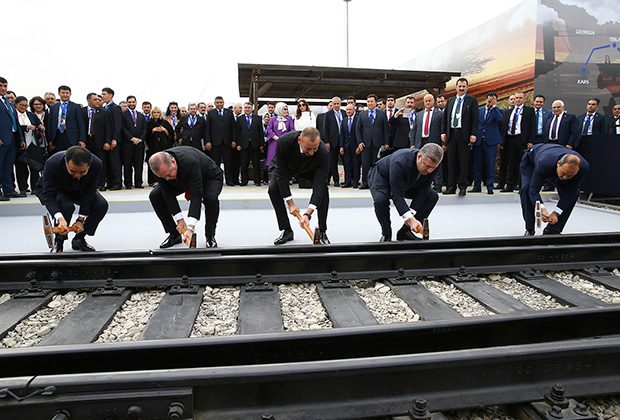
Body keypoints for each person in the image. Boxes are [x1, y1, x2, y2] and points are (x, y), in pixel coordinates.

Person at [34, 146, 108, 252]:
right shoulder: (53, 163)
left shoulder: (97, 164)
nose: (77, 175)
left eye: (82, 172)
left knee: (101, 205)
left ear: (89, 165)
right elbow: (49, 195)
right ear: (66, 162)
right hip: (58, 189)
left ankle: (79, 238)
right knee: (66, 206)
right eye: (73, 171)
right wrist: (60, 218)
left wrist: (80, 220)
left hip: (79, 189)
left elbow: (90, 192)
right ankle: (59, 242)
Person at [148, 147, 223, 248]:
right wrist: (180, 221)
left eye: (169, 173)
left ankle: (210, 235)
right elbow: (168, 193)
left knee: (210, 198)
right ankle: (174, 234)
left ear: (173, 161)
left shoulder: (189, 161)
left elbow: (196, 194)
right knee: (155, 195)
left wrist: (190, 227)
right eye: (163, 177)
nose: (166, 178)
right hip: (182, 178)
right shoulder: (160, 167)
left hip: (208, 177)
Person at [369, 143, 443, 242]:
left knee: (432, 196)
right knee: (381, 200)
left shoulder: (433, 164)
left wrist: (411, 215)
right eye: (427, 166)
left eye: (433, 168)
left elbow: (424, 189)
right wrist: (409, 218)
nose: (430, 171)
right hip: (382, 178)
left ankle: (405, 231)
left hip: (407, 181)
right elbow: (397, 194)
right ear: (419, 157)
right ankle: (386, 234)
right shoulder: (400, 161)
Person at [268, 127, 330, 245]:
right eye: (308, 148)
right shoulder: (284, 142)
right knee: (273, 189)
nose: (311, 152)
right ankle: (286, 230)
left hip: (309, 168)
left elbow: (319, 184)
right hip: (286, 166)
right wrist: (290, 203)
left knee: (323, 192)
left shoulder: (323, 153)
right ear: (299, 141)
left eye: (314, 148)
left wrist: (307, 214)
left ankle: (322, 231)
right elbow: (281, 175)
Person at [520, 143, 589, 235]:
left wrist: (556, 213)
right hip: (533, 160)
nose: (565, 177)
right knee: (526, 188)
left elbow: (570, 193)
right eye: (563, 173)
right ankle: (529, 229)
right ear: (559, 163)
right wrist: (541, 208)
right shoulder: (544, 163)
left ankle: (553, 229)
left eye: (570, 175)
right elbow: (533, 190)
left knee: (575, 194)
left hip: (553, 158)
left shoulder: (584, 167)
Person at [441, 77, 479, 196]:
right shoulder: (451, 101)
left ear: (467, 88)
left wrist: (473, 134)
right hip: (452, 134)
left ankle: (462, 186)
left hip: (464, 135)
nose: (461, 88)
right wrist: (444, 132)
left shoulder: (472, 100)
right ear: (456, 87)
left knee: (464, 162)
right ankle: (451, 186)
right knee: (451, 162)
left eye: (464, 86)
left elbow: (475, 119)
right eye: (460, 86)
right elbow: (445, 118)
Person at [500, 91, 536, 192]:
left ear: (524, 99)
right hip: (510, 139)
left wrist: (530, 141)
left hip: (522, 140)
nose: (518, 100)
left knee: (522, 163)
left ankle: (521, 186)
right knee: (511, 163)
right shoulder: (508, 112)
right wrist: (502, 141)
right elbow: (504, 127)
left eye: (520, 98)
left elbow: (533, 127)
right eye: (516, 98)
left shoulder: (529, 111)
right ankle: (510, 185)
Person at [472, 93, 503, 194]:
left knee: (490, 164)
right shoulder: (480, 110)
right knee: (477, 164)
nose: (490, 102)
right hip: (479, 140)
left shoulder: (497, 111)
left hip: (491, 142)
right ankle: (477, 185)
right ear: (485, 100)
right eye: (489, 100)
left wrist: (494, 106)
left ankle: (490, 186)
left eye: (492, 100)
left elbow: (499, 119)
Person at [0, 77, 26, 201]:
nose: (3, 88)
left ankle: (8, 189)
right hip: (1, 139)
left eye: (5, 85)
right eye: (0, 86)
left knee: (8, 166)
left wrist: (20, 138)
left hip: (11, 138)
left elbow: (15, 122)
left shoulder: (9, 103)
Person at [412, 94, 444, 192]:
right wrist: (413, 143)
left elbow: (442, 129)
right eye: (426, 101)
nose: (427, 103)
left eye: (429, 101)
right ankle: (422, 185)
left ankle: (438, 185)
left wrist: (443, 143)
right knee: (421, 163)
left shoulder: (439, 114)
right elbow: (414, 130)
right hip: (420, 141)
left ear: (433, 101)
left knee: (435, 163)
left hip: (434, 142)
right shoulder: (419, 115)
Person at [15, 96, 46, 195]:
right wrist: (26, 127)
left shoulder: (31, 115)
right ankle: (23, 188)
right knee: (21, 168)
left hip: (32, 144)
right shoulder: (14, 115)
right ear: (16, 104)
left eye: (25, 105)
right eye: (21, 105)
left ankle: (35, 188)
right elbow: (15, 127)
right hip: (19, 144)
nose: (23, 107)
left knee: (34, 167)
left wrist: (40, 126)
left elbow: (38, 124)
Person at [356, 94, 388, 189]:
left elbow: (385, 129)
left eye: (372, 101)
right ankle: (365, 182)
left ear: (376, 103)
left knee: (376, 164)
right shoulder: (362, 114)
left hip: (377, 143)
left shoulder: (382, 114)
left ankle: (376, 183)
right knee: (365, 164)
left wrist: (386, 142)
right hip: (365, 143)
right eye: (368, 101)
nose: (370, 103)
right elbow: (358, 129)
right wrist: (359, 142)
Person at [82, 92, 110, 191]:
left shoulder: (103, 112)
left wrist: (107, 141)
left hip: (99, 141)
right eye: (95, 100)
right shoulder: (82, 111)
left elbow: (107, 128)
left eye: (99, 100)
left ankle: (101, 183)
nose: (98, 101)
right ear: (88, 100)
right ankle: (87, 184)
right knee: (86, 162)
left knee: (100, 163)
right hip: (86, 141)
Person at [205, 96, 236, 185]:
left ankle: (229, 180)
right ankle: (217, 180)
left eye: (220, 102)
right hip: (215, 142)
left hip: (227, 142)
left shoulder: (229, 113)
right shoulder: (211, 113)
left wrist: (234, 140)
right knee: (215, 163)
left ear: (223, 103)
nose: (219, 104)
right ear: (215, 103)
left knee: (228, 162)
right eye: (217, 102)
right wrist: (208, 141)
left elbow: (233, 127)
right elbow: (207, 129)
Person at [46, 85, 86, 153]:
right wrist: (50, 140)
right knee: (59, 156)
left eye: (67, 93)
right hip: (58, 135)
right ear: (59, 93)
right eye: (63, 93)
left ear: (70, 94)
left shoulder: (76, 107)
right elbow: (50, 124)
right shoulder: (53, 107)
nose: (65, 95)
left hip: (72, 136)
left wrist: (82, 139)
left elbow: (81, 124)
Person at [235, 102, 264, 186]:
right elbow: (238, 133)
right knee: (244, 164)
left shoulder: (257, 118)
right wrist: (238, 144)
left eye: (249, 107)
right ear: (244, 109)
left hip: (255, 144)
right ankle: (244, 181)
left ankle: (257, 181)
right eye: (246, 107)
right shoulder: (240, 119)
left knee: (256, 164)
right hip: (244, 144)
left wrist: (261, 144)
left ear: (252, 109)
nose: (247, 109)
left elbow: (260, 132)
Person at [144, 107, 174, 186]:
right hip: (153, 147)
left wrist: (164, 130)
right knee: (153, 163)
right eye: (154, 113)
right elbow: (146, 135)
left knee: (164, 163)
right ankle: (153, 181)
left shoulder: (164, 122)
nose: (156, 114)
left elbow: (171, 134)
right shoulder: (149, 123)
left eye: (158, 113)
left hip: (163, 146)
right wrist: (153, 131)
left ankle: (164, 179)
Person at [121, 95, 146, 189]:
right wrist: (131, 138)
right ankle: (128, 183)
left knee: (139, 164)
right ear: (127, 103)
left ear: (136, 103)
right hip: (128, 144)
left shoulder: (140, 115)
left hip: (139, 144)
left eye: (133, 102)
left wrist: (140, 139)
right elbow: (122, 128)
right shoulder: (123, 115)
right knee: (127, 165)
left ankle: (138, 182)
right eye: (129, 102)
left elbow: (145, 129)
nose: (131, 104)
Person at [101, 87, 123, 190]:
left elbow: (117, 125)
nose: (102, 96)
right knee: (108, 163)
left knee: (115, 162)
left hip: (113, 141)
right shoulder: (104, 108)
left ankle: (117, 182)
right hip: (106, 140)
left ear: (111, 95)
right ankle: (110, 182)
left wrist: (115, 139)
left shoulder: (115, 108)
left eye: (104, 94)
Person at [323, 96, 346, 186]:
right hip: (332, 142)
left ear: (340, 104)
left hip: (343, 141)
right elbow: (326, 129)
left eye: (338, 104)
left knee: (345, 161)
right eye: (334, 104)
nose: (336, 105)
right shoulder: (328, 115)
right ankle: (336, 180)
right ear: (332, 104)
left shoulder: (344, 113)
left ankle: (347, 179)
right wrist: (327, 142)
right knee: (333, 161)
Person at [266, 102, 295, 170]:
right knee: (273, 161)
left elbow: (292, 129)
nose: (286, 111)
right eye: (284, 109)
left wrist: (286, 138)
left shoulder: (289, 119)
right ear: (279, 109)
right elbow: (269, 129)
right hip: (274, 142)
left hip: (285, 142)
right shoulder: (273, 119)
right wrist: (275, 137)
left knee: (284, 160)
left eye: (287, 109)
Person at [339, 103, 361, 188]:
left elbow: (359, 133)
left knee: (356, 164)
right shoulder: (344, 120)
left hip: (355, 145)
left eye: (350, 109)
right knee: (347, 164)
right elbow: (342, 134)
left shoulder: (358, 119)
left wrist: (359, 145)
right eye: (347, 110)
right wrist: (341, 146)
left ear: (354, 110)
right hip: (346, 146)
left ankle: (355, 182)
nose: (348, 111)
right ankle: (347, 181)